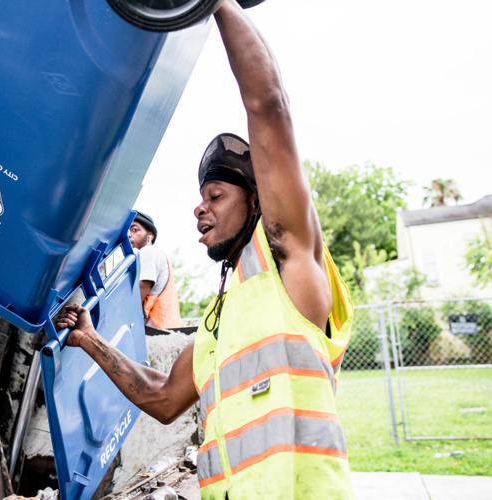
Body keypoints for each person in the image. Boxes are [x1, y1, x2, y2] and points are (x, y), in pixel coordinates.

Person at [56, 2, 353, 498]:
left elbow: (268, 105)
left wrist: (213, 4)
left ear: (257, 203)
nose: (199, 209)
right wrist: (89, 339)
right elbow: (163, 397)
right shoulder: (220, 320)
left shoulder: (289, 262)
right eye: (199, 199)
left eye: (215, 196)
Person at [128, 210, 182, 330]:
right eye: (128, 231)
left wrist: (122, 315)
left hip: (157, 330)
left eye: (135, 230)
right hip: (166, 327)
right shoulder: (157, 254)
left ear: (149, 236)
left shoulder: (148, 251)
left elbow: (142, 286)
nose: (129, 235)